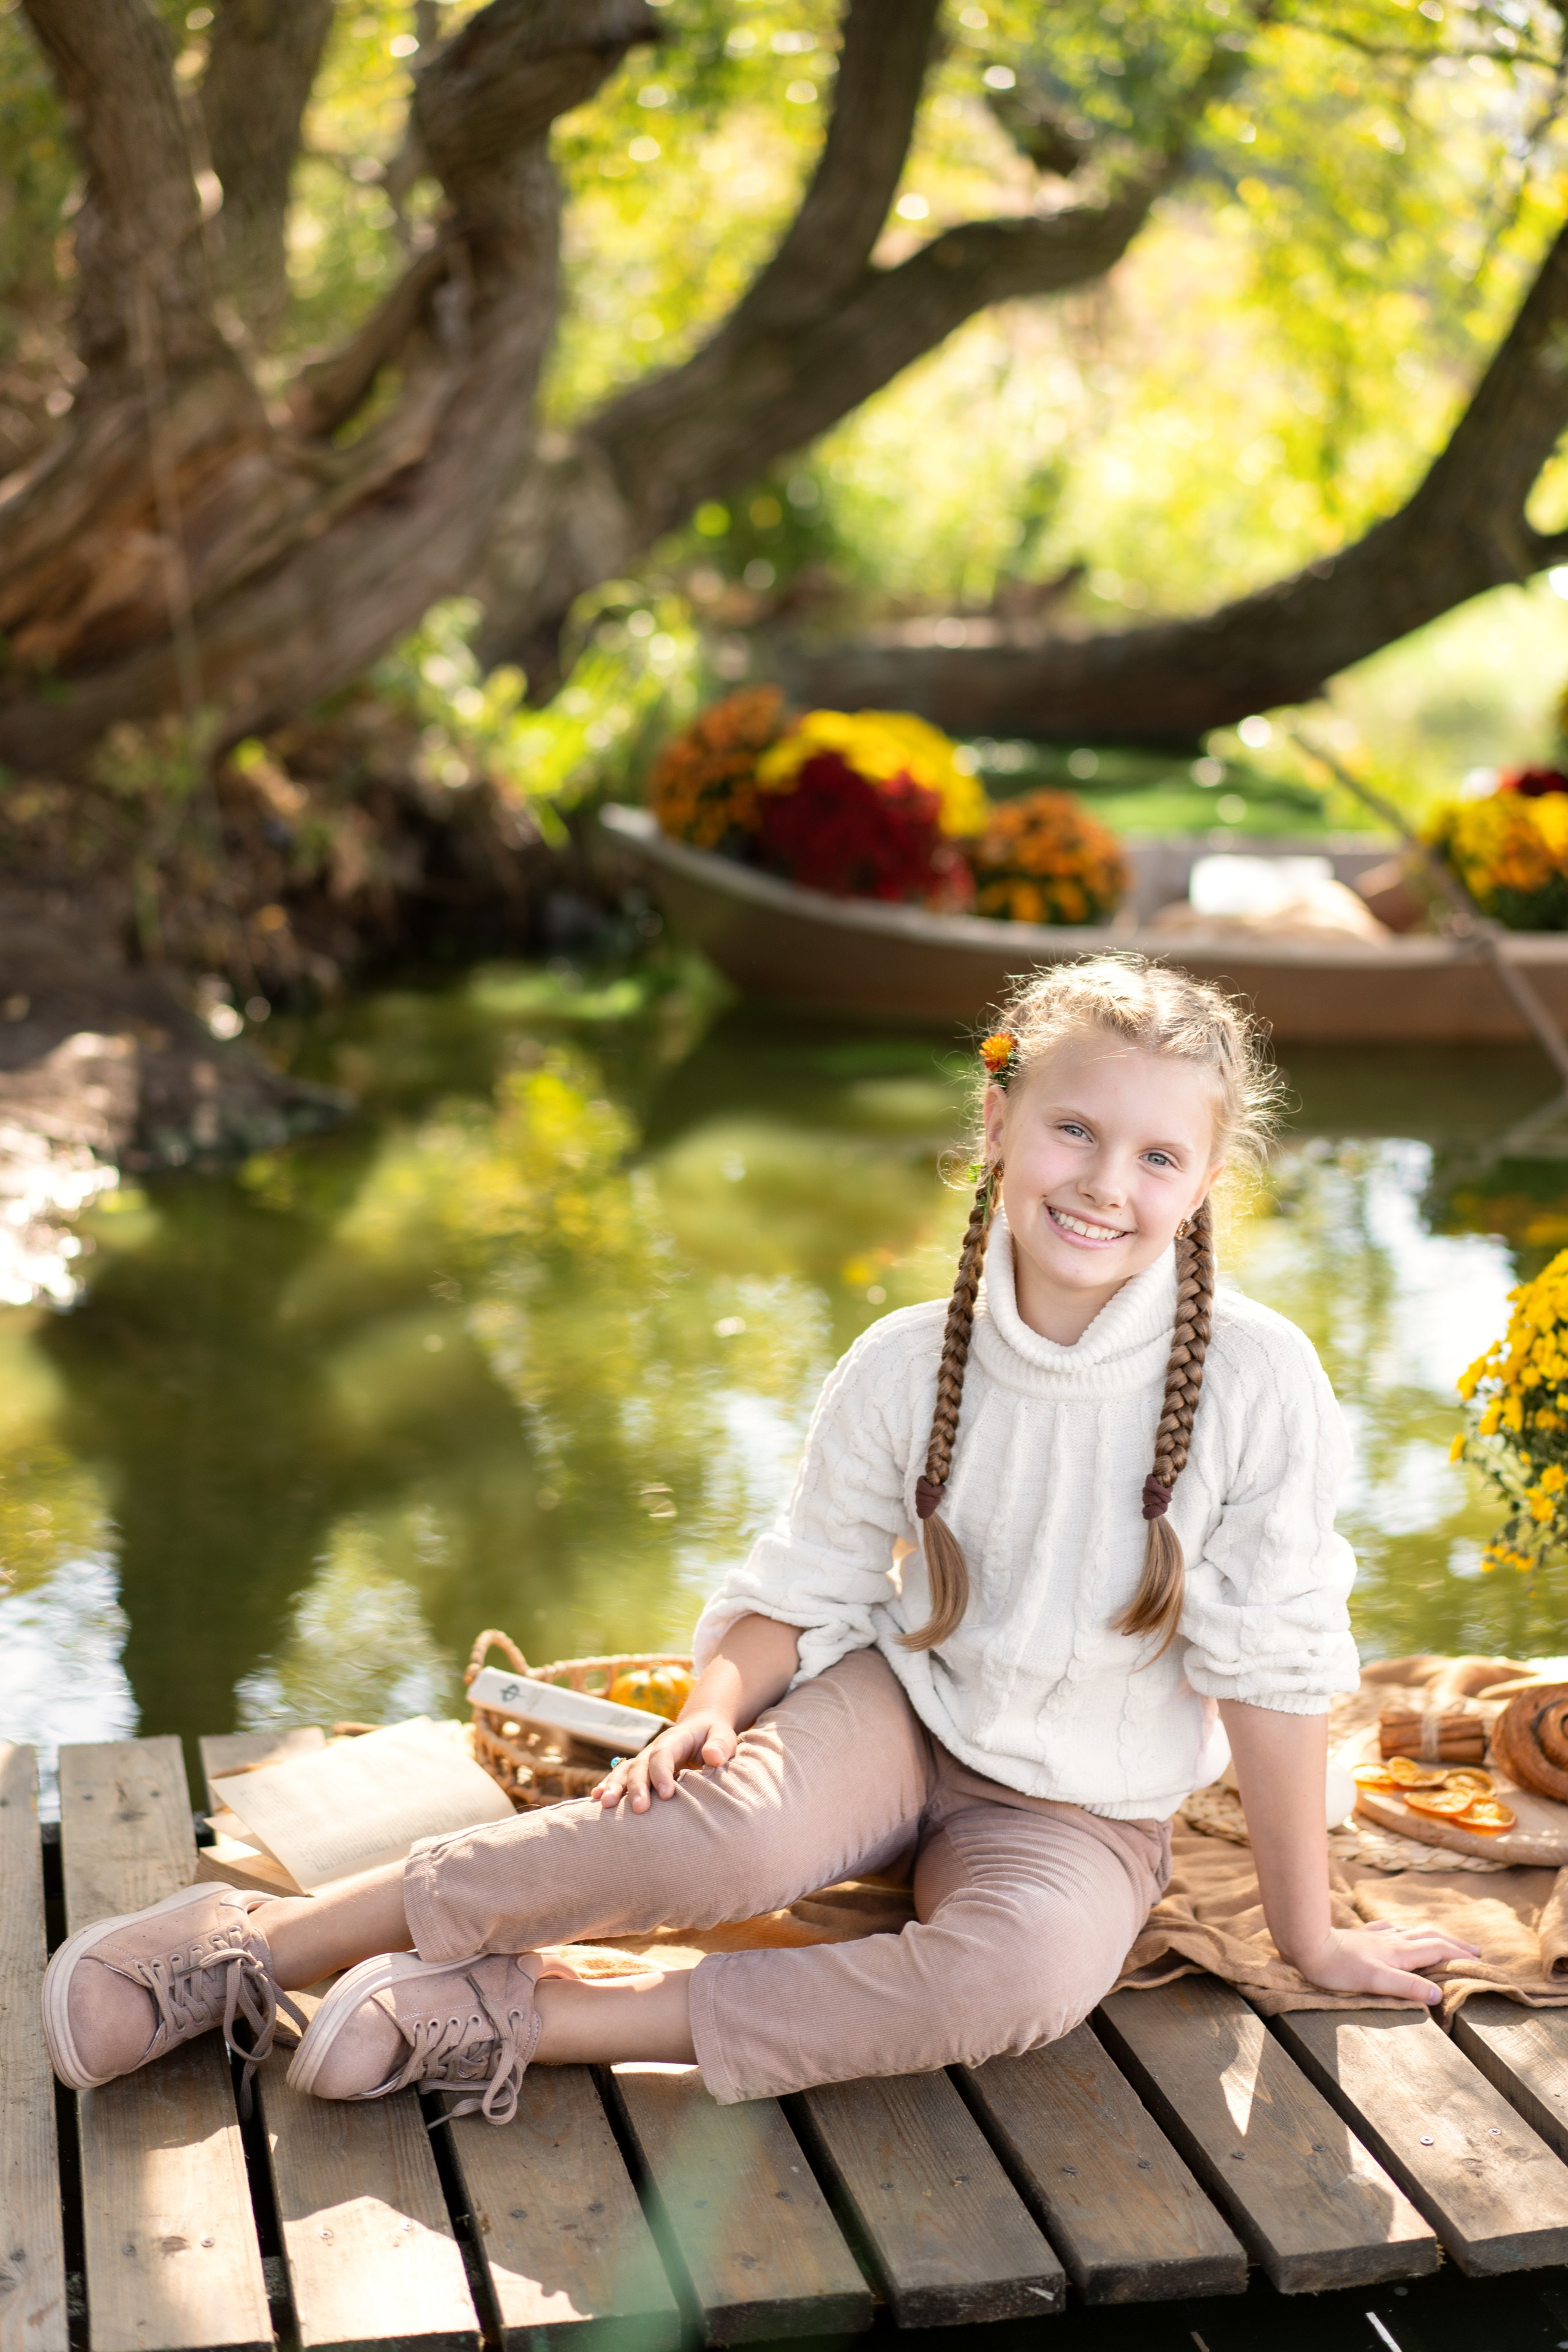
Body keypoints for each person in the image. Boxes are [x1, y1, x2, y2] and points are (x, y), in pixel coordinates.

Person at [43, 954, 1477, 2122]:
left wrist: (1308, 1932)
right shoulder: (904, 1362)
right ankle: (247, 1953)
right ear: (996, 1126)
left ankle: (519, 2014)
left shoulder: (1257, 1379)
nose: (1106, 1182)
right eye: (1073, 1129)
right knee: (702, 1843)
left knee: (1020, 1985)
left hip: (1085, 1811)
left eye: (1158, 1154)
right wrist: (713, 1711)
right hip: (901, 1714)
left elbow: (1275, 1673)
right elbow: (803, 1582)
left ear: (1204, 1182)